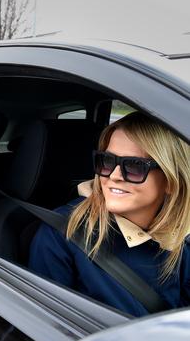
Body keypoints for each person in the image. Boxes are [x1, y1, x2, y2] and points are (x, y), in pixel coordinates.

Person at [29, 112, 190, 317]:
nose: (114, 176)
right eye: (106, 161)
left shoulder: (181, 239)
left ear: (171, 180)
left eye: (134, 166)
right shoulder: (62, 234)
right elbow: (45, 325)